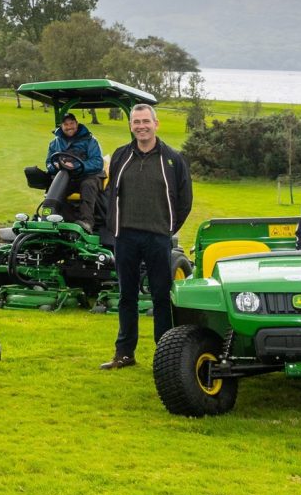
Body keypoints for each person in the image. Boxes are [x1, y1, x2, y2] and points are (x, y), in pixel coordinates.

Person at [100, 103, 192, 371]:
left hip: (157, 238)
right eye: (136, 122)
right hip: (126, 237)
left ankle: (165, 356)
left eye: (145, 121)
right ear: (131, 126)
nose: (141, 126)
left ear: (156, 124)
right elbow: (110, 193)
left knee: (161, 297)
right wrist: (113, 225)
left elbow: (185, 200)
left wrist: (168, 228)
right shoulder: (120, 156)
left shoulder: (172, 159)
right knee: (126, 296)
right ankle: (124, 354)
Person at [43, 111, 104, 229]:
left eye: (71, 123)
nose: (69, 126)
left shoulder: (90, 140)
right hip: (67, 177)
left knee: (88, 185)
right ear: (61, 126)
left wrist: (76, 166)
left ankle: (87, 222)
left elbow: (97, 162)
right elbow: (48, 163)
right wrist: (55, 166)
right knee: (56, 188)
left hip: (87, 176)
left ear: (76, 123)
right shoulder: (54, 143)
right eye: (66, 124)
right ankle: (65, 222)